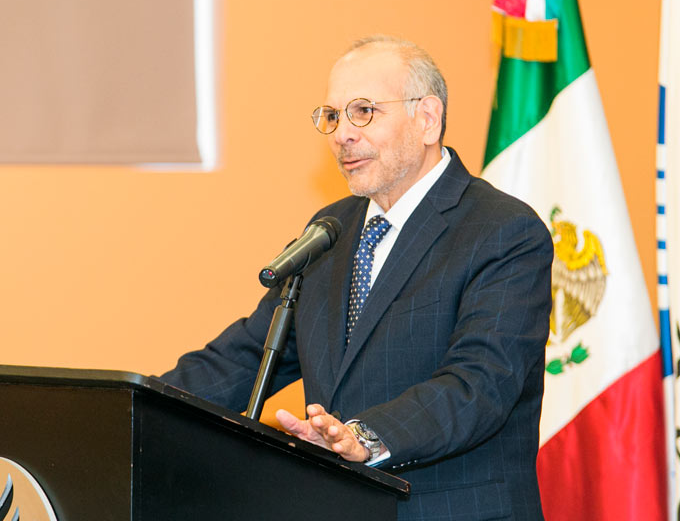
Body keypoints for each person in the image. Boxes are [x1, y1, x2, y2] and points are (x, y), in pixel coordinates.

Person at [161, 36, 553, 521]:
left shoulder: (501, 230)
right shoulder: (332, 230)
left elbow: (480, 384)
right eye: (332, 116)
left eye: (363, 111)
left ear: (427, 118)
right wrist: (133, 405)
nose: (341, 134)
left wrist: (364, 437)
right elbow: (245, 356)